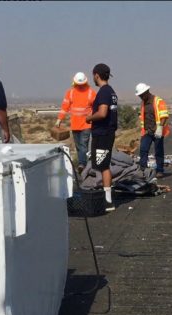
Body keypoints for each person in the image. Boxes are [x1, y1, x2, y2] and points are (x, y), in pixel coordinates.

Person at [85, 63, 118, 212]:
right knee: (102, 164)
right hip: (106, 133)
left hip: (103, 134)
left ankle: (108, 201)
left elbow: (103, 113)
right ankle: (106, 196)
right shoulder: (111, 92)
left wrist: (89, 118)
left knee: (103, 166)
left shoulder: (104, 92)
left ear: (96, 75)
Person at [55, 72, 96, 170]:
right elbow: (65, 107)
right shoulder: (71, 93)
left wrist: (92, 117)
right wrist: (59, 119)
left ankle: (82, 164)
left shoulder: (91, 93)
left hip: (86, 125)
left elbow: (96, 108)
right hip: (75, 125)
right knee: (79, 147)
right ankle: (83, 164)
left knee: (83, 145)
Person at [135, 83, 170, 178]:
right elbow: (144, 117)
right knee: (143, 149)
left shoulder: (158, 101)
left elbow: (164, 116)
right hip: (147, 131)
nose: (141, 97)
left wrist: (160, 128)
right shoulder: (143, 103)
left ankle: (160, 170)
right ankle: (143, 169)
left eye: (142, 95)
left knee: (158, 151)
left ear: (146, 92)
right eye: (139, 96)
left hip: (158, 131)